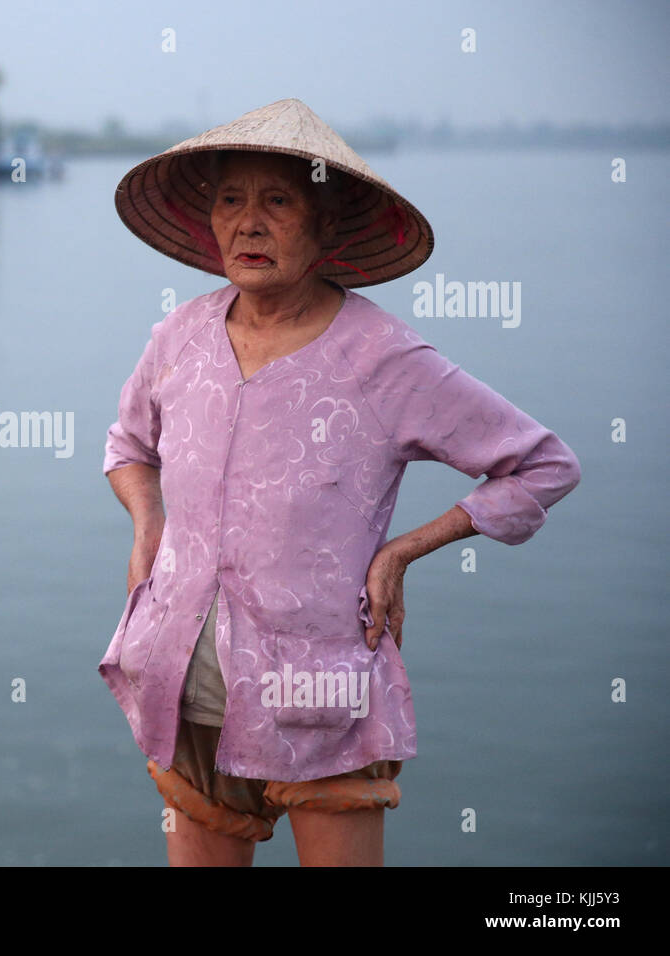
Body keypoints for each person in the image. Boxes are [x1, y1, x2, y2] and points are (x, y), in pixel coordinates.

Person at [99, 98, 582, 866]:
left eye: (278, 202)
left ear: (328, 229)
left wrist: (403, 552)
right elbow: (128, 444)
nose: (248, 223)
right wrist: (147, 523)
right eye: (232, 200)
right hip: (184, 676)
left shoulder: (381, 357)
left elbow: (543, 465)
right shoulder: (180, 334)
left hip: (319, 693)